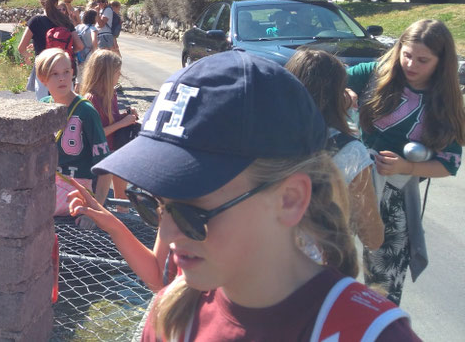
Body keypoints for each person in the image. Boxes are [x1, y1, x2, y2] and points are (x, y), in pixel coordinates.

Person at [73, 51, 419, 340]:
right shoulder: (172, 318)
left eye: (195, 214)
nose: (171, 236)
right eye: (156, 205)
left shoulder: (370, 334)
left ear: (290, 200)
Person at [347, 19, 465, 305]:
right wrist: (345, 92)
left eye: (423, 60)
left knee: (383, 285)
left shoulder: (444, 104)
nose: (411, 64)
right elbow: (334, 82)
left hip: (393, 195)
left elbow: (448, 164)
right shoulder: (376, 74)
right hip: (350, 180)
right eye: (407, 54)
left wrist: (407, 167)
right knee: (329, 260)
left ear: (441, 62)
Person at [285, 49, 384, 250]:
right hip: (318, 270)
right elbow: (373, 238)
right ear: (338, 95)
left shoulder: (262, 136)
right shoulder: (350, 152)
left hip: (260, 264)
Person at [36, 48, 110, 207]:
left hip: (77, 193)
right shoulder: (42, 106)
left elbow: (105, 167)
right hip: (46, 187)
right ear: (42, 78)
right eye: (54, 74)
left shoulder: (86, 111)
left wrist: (96, 211)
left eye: (66, 72)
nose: (62, 78)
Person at [80, 50, 138, 210]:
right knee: (98, 199)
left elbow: (110, 119)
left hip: (114, 149)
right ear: (106, 74)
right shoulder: (90, 100)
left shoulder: (111, 94)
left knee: (122, 194)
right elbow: (95, 135)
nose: (119, 77)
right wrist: (122, 123)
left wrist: (126, 116)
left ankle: (123, 221)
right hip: (99, 155)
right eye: (117, 73)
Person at [18, 0, 83, 99]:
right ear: (57, 1)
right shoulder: (65, 21)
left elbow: (21, 48)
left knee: (45, 106)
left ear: (41, 1)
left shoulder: (36, 21)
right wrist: (68, 52)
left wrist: (29, 57)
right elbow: (80, 46)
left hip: (44, 68)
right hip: (64, 67)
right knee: (65, 104)